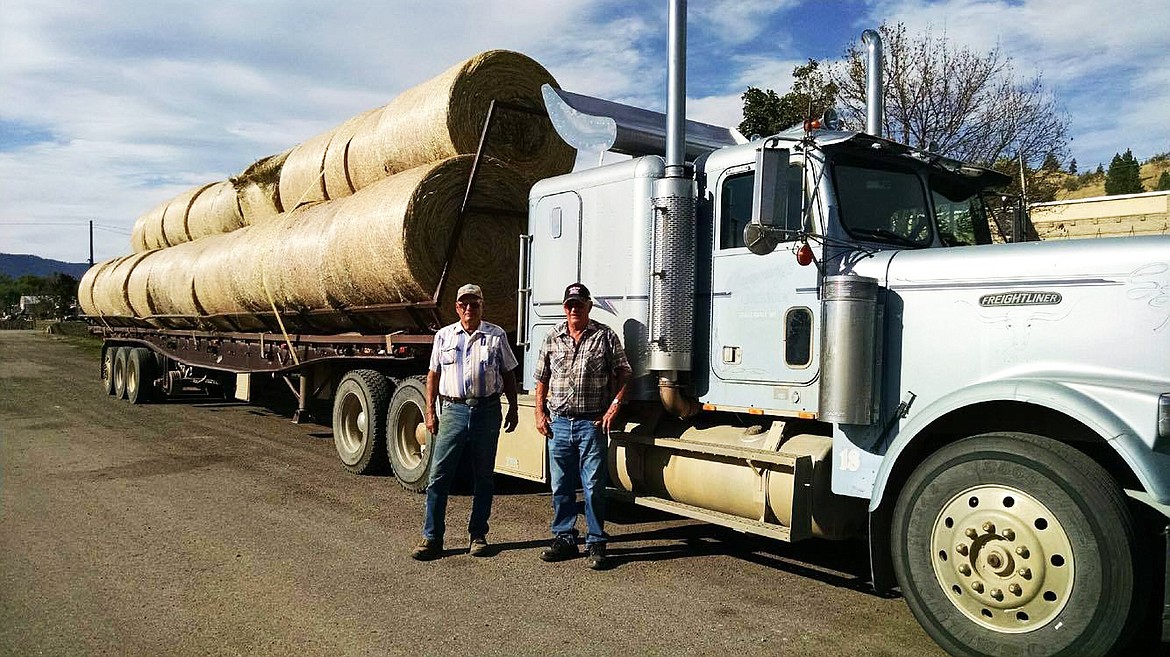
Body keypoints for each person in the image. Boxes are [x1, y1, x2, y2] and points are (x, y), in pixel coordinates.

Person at [411, 283, 519, 561]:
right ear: (457, 307)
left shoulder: (496, 336)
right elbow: (433, 375)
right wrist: (430, 411)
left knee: (483, 477)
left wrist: (514, 408)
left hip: (487, 410)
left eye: (474, 304)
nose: (469, 309)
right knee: (439, 476)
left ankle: (478, 535)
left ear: (482, 306)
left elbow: (508, 374)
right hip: (453, 411)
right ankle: (432, 537)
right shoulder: (444, 336)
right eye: (464, 304)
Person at [533, 282, 631, 570]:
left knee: (593, 486)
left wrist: (614, 406)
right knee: (561, 485)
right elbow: (542, 379)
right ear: (565, 308)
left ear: (589, 306)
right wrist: (539, 413)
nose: (574, 309)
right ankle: (564, 537)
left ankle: (596, 541)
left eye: (580, 304)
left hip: (591, 424)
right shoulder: (552, 337)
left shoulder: (604, 336)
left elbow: (624, 372)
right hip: (559, 424)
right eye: (570, 305)